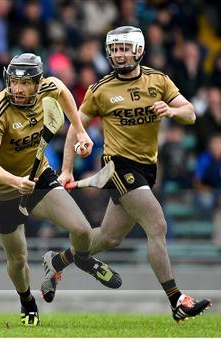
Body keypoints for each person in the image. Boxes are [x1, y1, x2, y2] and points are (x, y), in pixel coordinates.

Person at [51, 26, 212, 322]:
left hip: (147, 168)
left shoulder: (158, 80)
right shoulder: (100, 89)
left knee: (110, 238)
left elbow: (190, 112)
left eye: (124, 48)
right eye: (114, 49)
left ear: (138, 50)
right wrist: (66, 170)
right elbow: (76, 128)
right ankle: (177, 299)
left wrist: (173, 111)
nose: (118, 54)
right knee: (157, 225)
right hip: (118, 167)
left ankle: (58, 260)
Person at [0, 53, 121, 326]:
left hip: (39, 177)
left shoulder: (49, 87)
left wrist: (79, 130)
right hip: (2, 191)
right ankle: (27, 301)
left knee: (81, 229)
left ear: (38, 82)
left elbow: (65, 93)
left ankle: (77, 259)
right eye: (13, 82)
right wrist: (15, 181)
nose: (17, 89)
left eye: (25, 83)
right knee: (18, 259)